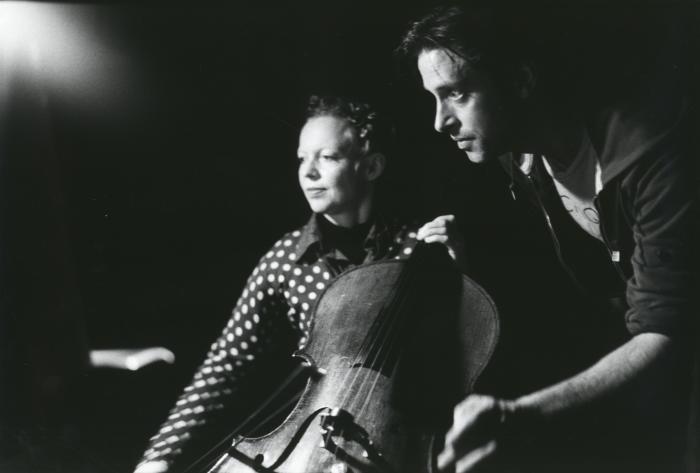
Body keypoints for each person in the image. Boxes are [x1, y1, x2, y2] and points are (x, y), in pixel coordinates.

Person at [398, 5, 696, 473]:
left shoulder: (651, 154)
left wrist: (522, 415)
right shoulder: (520, 154)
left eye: (455, 94)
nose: (440, 121)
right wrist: (472, 266)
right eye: (434, 97)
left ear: (520, 80)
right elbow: (581, 293)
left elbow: (668, 332)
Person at [134, 94, 466, 473]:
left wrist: (459, 273)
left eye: (327, 157)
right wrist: (158, 457)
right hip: (311, 446)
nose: (308, 173)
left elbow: (461, 354)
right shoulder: (284, 260)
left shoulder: (417, 249)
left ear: (371, 167)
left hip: (399, 446)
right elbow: (223, 366)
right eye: (301, 159)